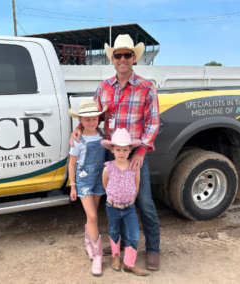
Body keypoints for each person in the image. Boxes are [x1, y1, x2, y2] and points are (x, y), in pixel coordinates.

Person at [70, 34, 161, 270]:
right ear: (112, 58)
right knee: (114, 201)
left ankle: (153, 249)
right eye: (118, 54)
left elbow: (153, 123)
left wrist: (140, 152)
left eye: (127, 55)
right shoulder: (104, 87)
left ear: (134, 58)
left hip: (135, 154)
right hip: (111, 154)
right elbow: (92, 116)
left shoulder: (146, 87)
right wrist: (79, 128)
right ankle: (118, 245)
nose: (122, 59)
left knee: (143, 201)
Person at [68, 99, 108, 276]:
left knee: (93, 216)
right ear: (80, 121)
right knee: (92, 216)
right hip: (84, 181)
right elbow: (72, 165)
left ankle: (88, 241)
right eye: (87, 120)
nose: (91, 122)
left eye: (94, 119)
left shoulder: (103, 136)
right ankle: (98, 256)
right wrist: (73, 186)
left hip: (99, 180)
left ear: (98, 119)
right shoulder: (78, 139)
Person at [101, 127, 149, 276]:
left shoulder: (134, 168)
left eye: (125, 150)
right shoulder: (108, 168)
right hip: (113, 207)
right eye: (118, 150)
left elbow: (136, 185)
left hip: (129, 208)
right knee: (114, 230)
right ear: (112, 150)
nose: (121, 153)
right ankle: (115, 257)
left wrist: (131, 201)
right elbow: (105, 184)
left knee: (134, 234)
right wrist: (113, 198)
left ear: (130, 150)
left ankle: (129, 263)